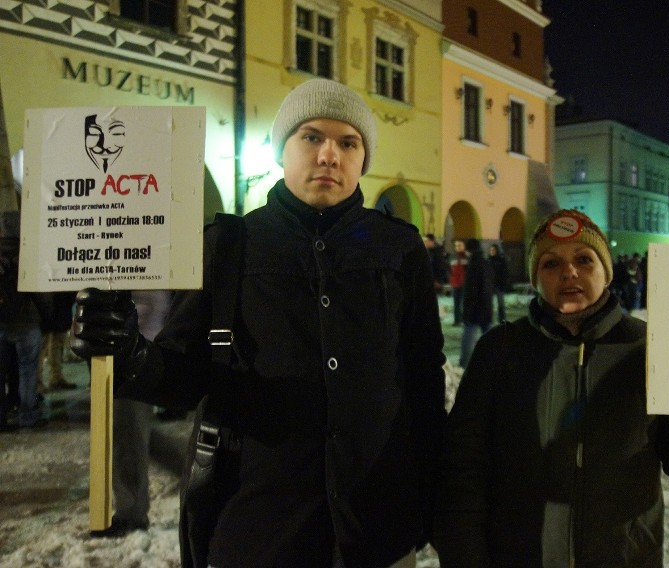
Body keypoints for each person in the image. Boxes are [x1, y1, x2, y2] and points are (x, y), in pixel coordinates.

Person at [71, 78, 446, 568]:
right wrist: (126, 352)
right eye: (311, 137)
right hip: (262, 531)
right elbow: (183, 374)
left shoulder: (399, 249)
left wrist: (433, 500)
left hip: (377, 530)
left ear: (362, 157)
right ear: (282, 150)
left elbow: (422, 380)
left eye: (348, 142)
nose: (329, 154)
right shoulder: (230, 245)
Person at [433, 209, 669, 567]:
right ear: (535, 278)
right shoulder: (499, 351)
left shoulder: (652, 348)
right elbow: (462, 468)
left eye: (584, 259)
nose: (569, 272)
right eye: (551, 263)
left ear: (606, 272)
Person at [90, 290, 172, 538]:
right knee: (132, 432)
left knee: (128, 435)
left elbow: (148, 307)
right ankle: (184, 465)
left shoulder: (141, 270)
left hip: (132, 356)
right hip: (124, 352)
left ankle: (132, 515)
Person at [0, 239, 51, 429]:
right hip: (27, 324)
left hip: (1, 324)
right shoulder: (28, 258)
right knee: (27, 370)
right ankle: (27, 416)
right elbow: (42, 296)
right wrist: (47, 319)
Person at [458, 239, 495, 368]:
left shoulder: (473, 265)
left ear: (469, 250)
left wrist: (468, 311)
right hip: (486, 306)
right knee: (489, 338)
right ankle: (492, 363)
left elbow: (471, 290)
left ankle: (465, 363)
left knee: (468, 338)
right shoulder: (486, 262)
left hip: (475, 309)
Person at [37, 291, 77, 391]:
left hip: (59, 308)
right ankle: (39, 382)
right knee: (43, 346)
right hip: (49, 307)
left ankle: (56, 377)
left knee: (56, 344)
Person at [488, 243, 510, 322]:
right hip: (490, 285)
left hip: (499, 285)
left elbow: (505, 272)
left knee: (501, 304)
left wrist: (503, 283)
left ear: (496, 250)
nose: (492, 251)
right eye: (490, 250)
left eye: (493, 250)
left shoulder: (501, 260)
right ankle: (489, 319)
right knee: (489, 303)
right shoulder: (488, 260)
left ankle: (502, 319)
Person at [449, 239, 468, 325]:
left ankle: (465, 320)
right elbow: (449, 270)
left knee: (465, 304)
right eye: (456, 246)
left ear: (464, 246)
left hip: (465, 284)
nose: (458, 247)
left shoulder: (467, 257)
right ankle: (457, 321)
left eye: (460, 245)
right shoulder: (452, 257)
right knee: (456, 304)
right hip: (455, 284)